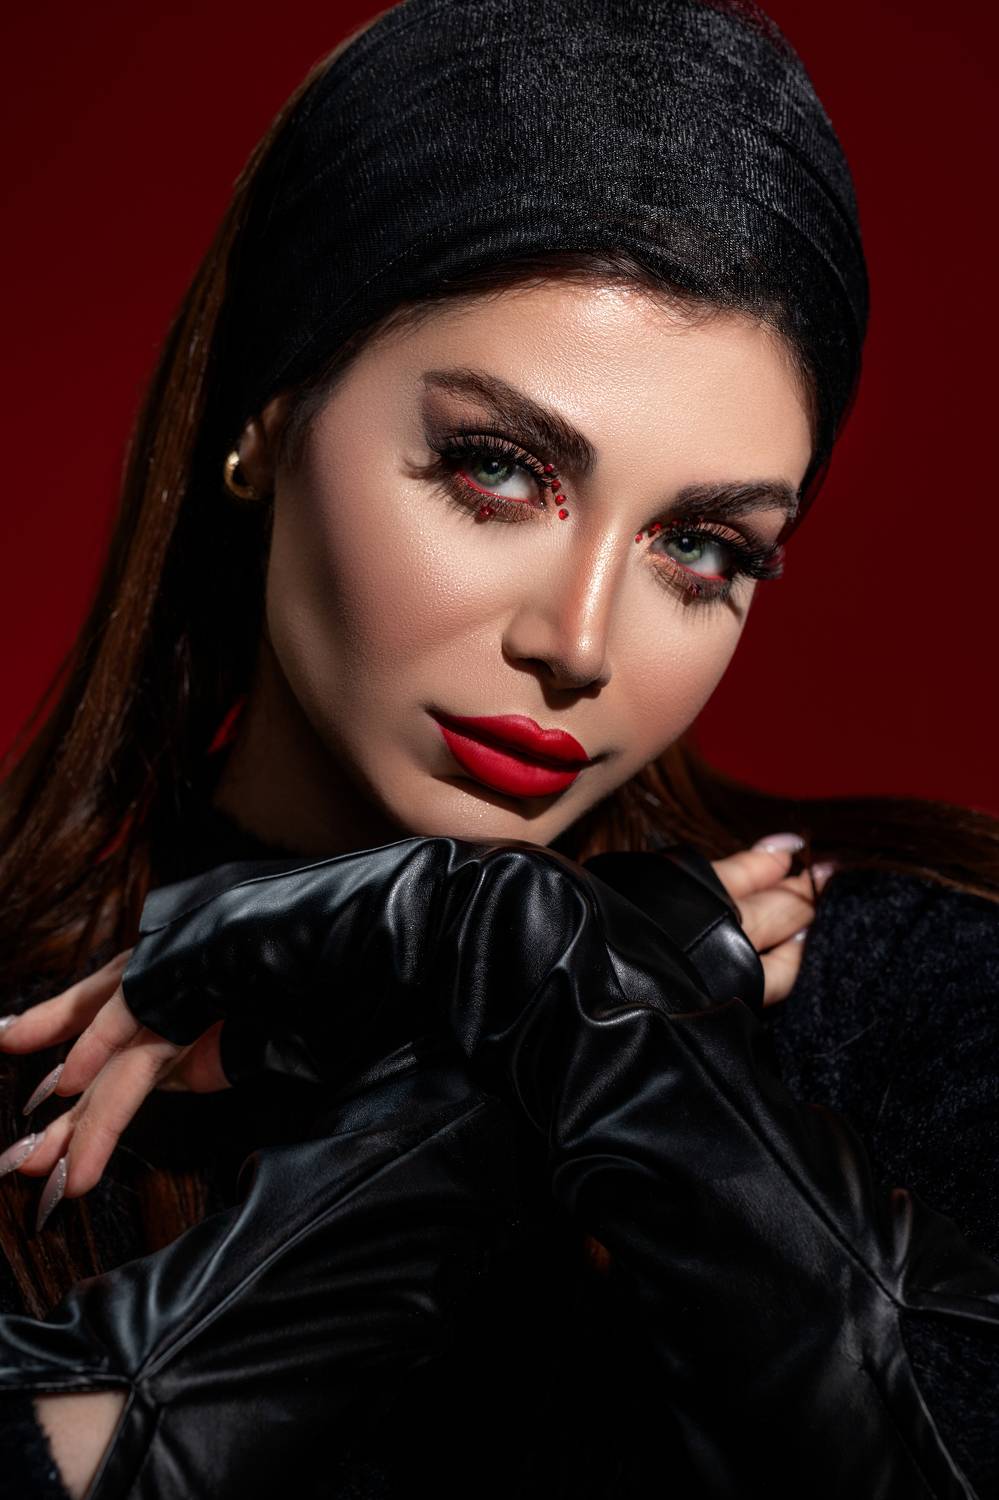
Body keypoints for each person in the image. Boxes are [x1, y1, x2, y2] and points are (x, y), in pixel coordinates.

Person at [0, 0, 996, 1495]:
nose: (579, 643)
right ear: (271, 411)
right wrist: (468, 1099)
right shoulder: (25, 1048)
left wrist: (576, 1022)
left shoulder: (895, 985)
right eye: (499, 470)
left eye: (705, 546)